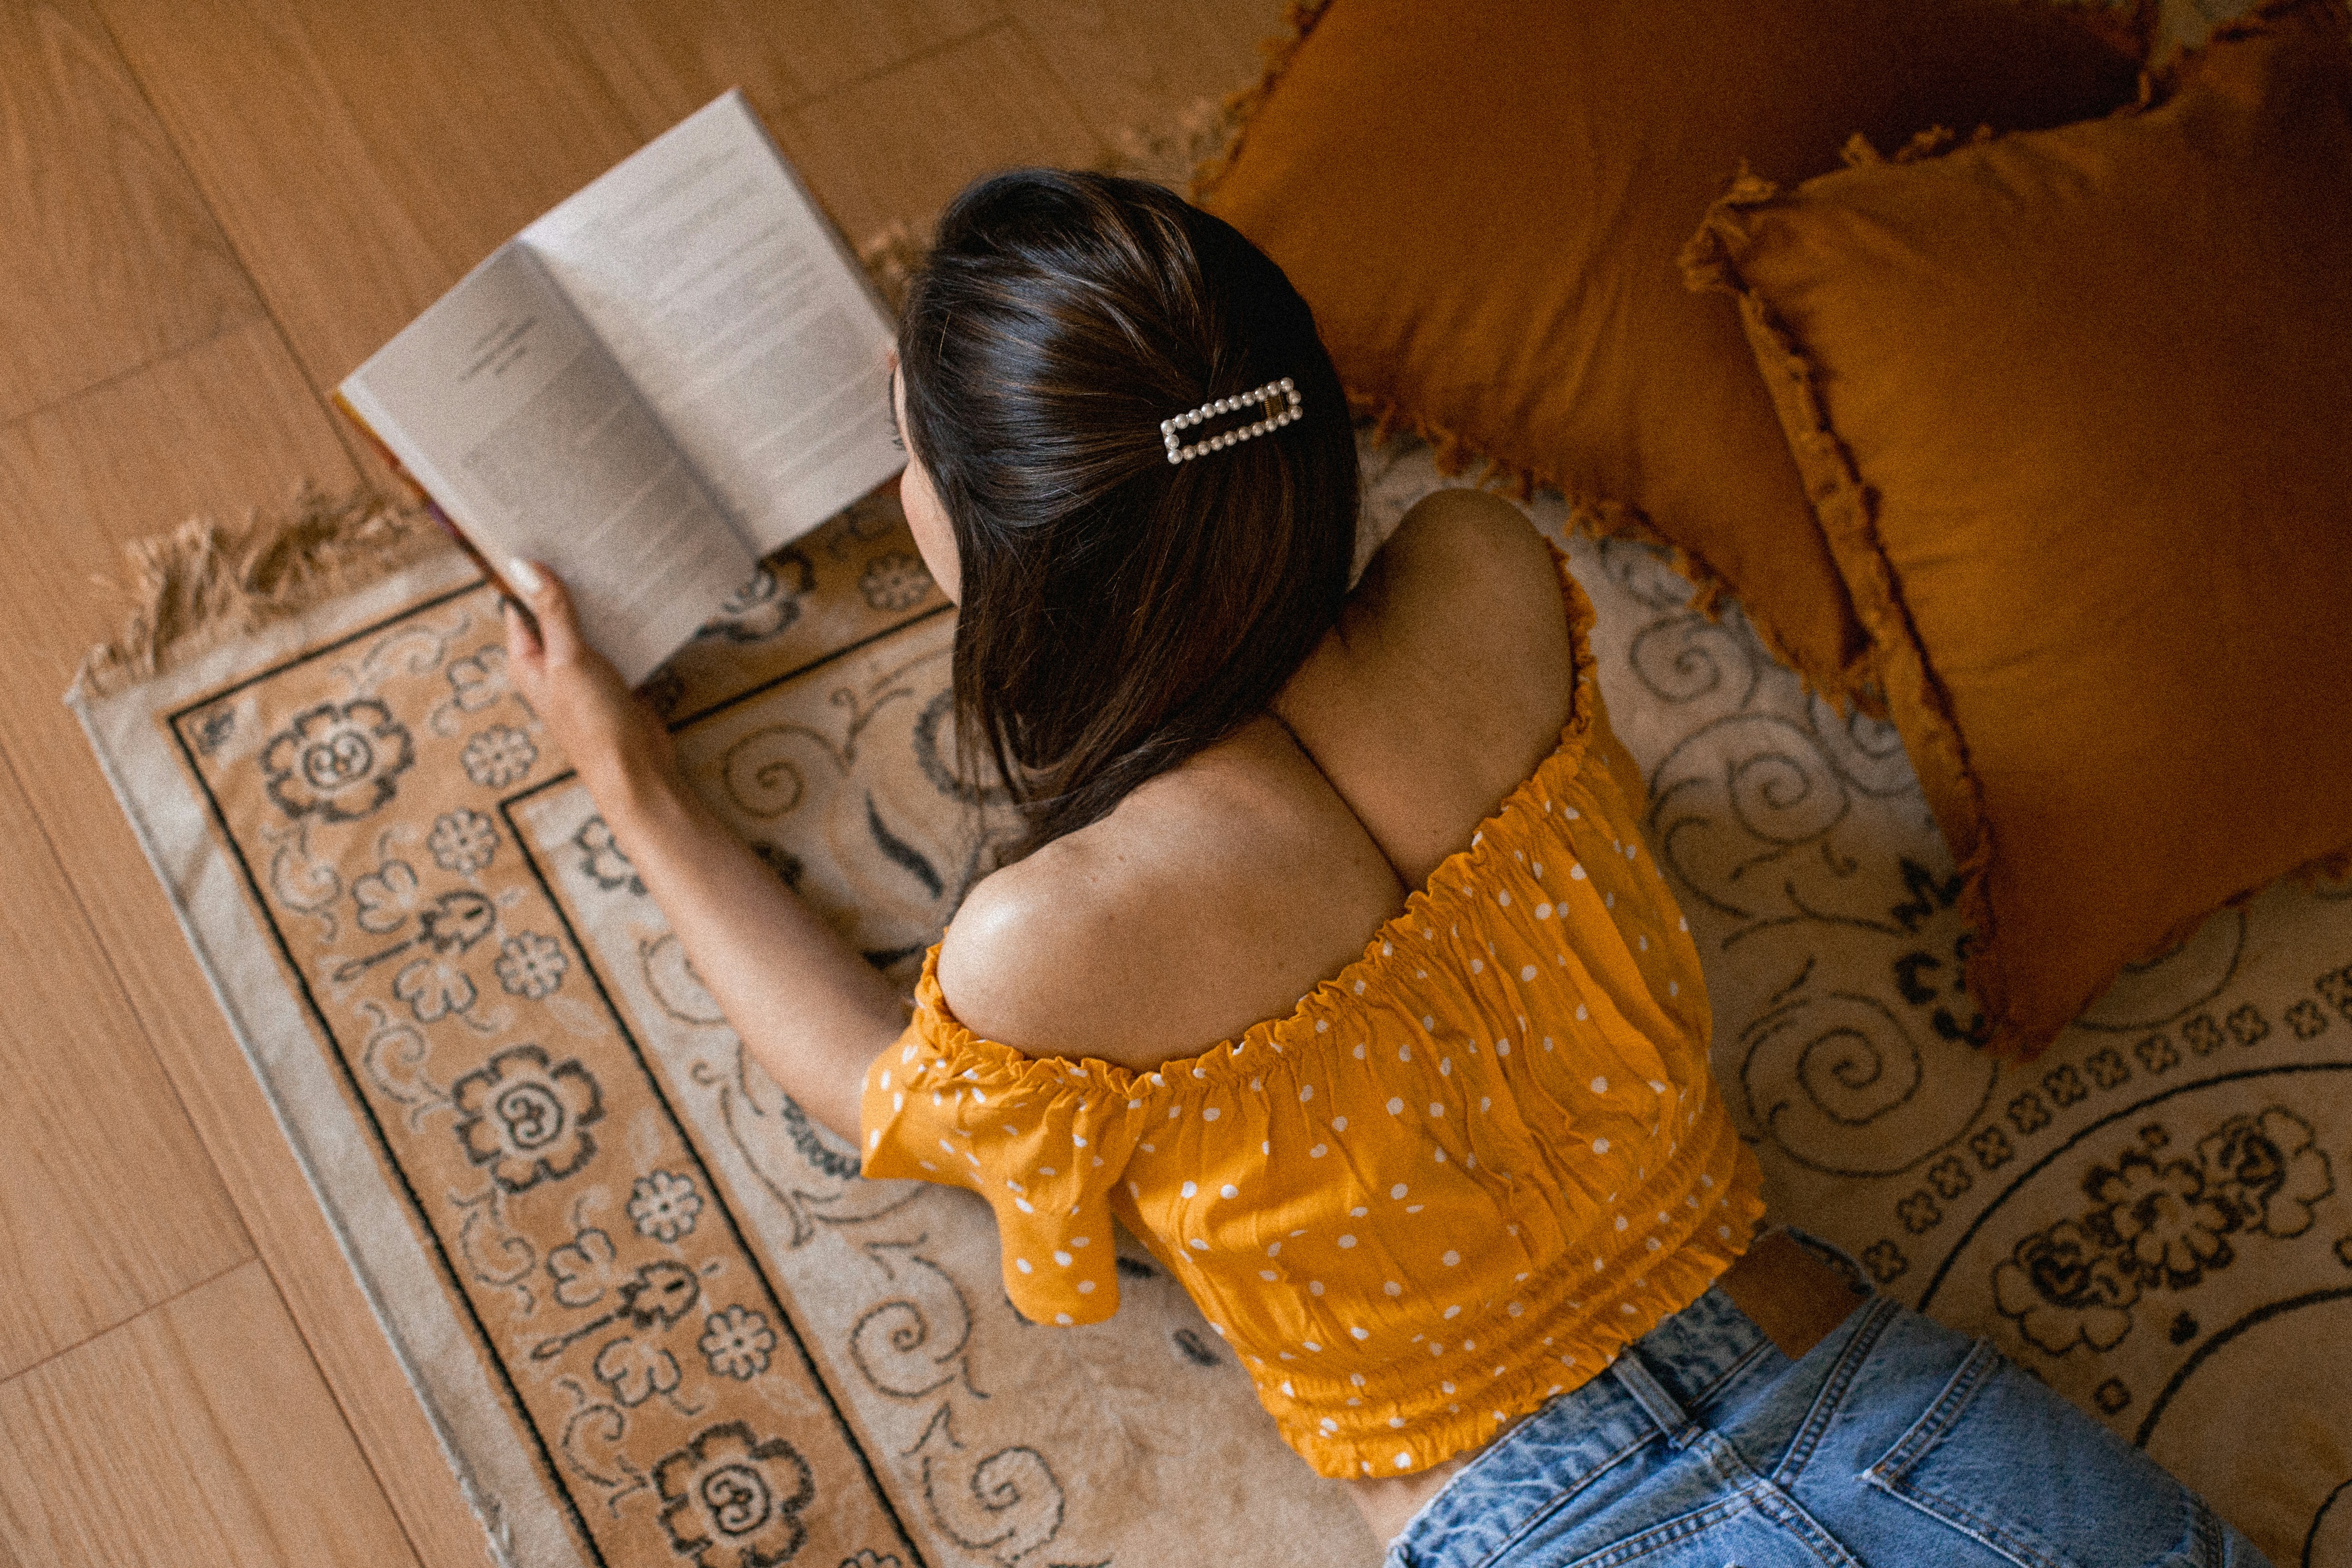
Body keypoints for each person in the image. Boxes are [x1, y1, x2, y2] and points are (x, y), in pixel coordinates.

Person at [503, 170, 2267, 1567]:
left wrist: (631, 779)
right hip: (1879, 1394)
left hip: (1556, 1526)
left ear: (994, 545)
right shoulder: (1487, 581)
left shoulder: (1049, 941)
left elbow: (873, 1090)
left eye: (909, 455)